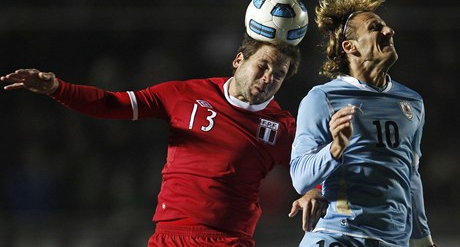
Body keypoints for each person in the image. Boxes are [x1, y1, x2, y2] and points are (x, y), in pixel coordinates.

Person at [2, 30, 326, 246]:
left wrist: (313, 190)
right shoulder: (185, 94)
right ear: (238, 60)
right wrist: (57, 88)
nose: (268, 78)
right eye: (263, 66)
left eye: (278, 74)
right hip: (169, 237)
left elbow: (318, 167)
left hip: (228, 241)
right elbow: (111, 104)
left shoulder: (281, 126)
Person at [289, 0, 437, 247]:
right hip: (339, 235)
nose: (389, 31)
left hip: (393, 241)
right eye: (375, 28)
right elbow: (300, 177)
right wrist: (336, 149)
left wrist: (424, 241)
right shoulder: (322, 98)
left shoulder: (411, 101)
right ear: (350, 47)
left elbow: (411, 175)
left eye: (386, 27)